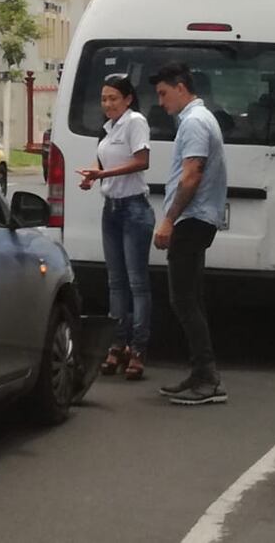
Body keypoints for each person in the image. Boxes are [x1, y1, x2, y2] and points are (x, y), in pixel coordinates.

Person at [149, 61, 229, 406]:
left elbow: (191, 176)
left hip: (192, 220)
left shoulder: (195, 122)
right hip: (198, 219)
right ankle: (200, 374)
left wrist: (168, 219)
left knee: (183, 299)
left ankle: (207, 377)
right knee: (190, 298)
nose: (162, 102)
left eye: (164, 94)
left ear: (181, 88)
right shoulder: (199, 119)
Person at [76, 74, 154, 380]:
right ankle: (117, 343)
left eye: (113, 98)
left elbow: (142, 161)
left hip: (134, 209)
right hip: (111, 209)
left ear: (128, 99)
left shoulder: (135, 122)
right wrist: (91, 178)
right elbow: (102, 168)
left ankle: (138, 350)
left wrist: (102, 173)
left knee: (137, 283)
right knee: (115, 283)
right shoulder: (107, 129)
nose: (107, 104)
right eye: (104, 98)